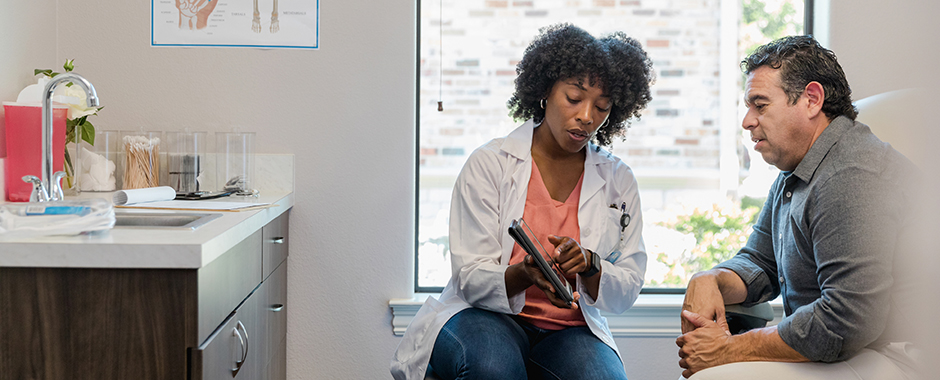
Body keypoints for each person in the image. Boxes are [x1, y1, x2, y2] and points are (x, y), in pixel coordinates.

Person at [391, 24, 654, 380]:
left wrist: (591, 266)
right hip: (484, 316)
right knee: (493, 369)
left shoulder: (618, 180)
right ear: (545, 90)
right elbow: (469, 277)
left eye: (602, 106)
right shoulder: (491, 163)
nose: (587, 116)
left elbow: (627, 288)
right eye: (574, 98)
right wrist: (524, 274)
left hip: (570, 331)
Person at [676, 35, 922, 379]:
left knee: (711, 376)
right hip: (851, 348)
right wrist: (710, 279)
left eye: (759, 105)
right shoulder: (798, 170)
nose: (747, 121)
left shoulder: (850, 173)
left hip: (898, 355)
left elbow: (846, 319)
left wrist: (728, 349)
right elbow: (760, 261)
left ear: (811, 99)